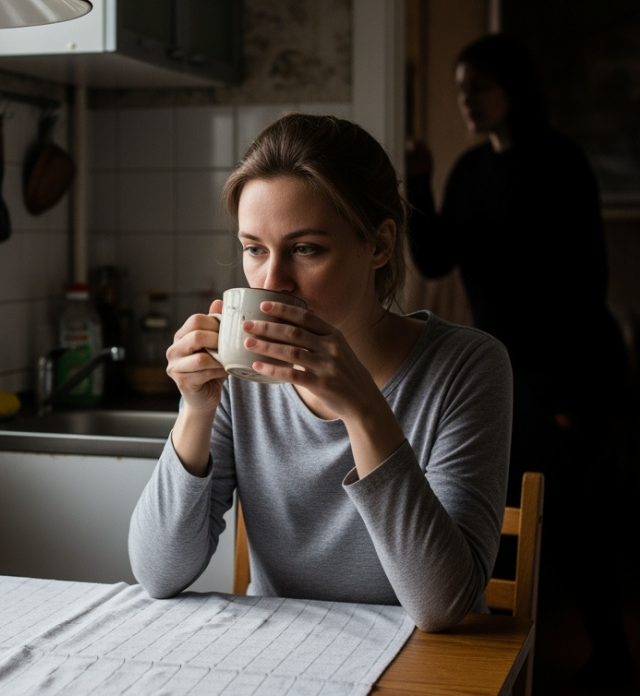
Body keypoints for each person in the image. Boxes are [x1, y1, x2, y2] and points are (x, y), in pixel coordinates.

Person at [127, 113, 513, 633]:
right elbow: (158, 574)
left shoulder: (467, 367)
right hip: (281, 659)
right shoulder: (242, 377)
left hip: (426, 666)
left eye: (305, 249)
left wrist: (362, 408)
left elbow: (445, 607)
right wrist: (196, 411)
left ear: (378, 246)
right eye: (254, 249)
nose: (273, 281)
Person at [404, 34, 634, 686]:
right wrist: (418, 180)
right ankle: (509, 663)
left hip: (567, 375)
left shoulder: (563, 164)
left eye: (479, 87)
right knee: (502, 521)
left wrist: (570, 398)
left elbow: (588, 283)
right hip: (501, 374)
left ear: (514, 90)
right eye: (460, 90)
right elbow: (433, 259)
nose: (467, 102)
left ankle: (612, 660)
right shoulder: (469, 171)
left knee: (574, 524)